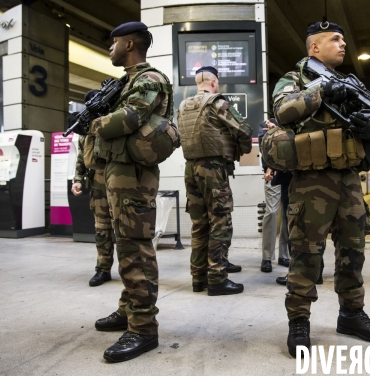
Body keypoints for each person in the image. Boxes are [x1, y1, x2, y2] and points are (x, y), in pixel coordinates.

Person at [271, 21, 370, 358]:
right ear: (314, 47)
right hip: (312, 181)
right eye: (335, 39)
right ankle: (299, 321)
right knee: (307, 255)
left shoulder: (353, 83)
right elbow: (282, 111)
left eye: (343, 39)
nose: (343, 45)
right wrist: (321, 91)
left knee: (353, 252)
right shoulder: (296, 78)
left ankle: (351, 314)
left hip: (349, 179)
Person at [89, 21, 173, 362]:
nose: (110, 48)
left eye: (113, 43)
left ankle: (143, 328)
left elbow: (129, 119)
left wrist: (93, 123)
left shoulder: (149, 79)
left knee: (135, 248)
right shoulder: (127, 82)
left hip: (133, 175)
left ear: (128, 43)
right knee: (125, 245)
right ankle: (129, 309)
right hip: (118, 172)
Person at [177, 66, 253, 296]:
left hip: (190, 168)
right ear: (214, 81)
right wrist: (239, 150)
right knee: (220, 221)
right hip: (213, 168)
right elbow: (244, 130)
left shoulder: (182, 106)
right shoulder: (217, 102)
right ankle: (218, 277)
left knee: (199, 224)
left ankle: (198, 278)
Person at [71, 119, 114, 287]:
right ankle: (103, 269)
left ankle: (132, 271)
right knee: (102, 227)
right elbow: (82, 156)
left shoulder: (114, 122)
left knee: (126, 227)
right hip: (97, 182)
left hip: (121, 178)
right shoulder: (87, 131)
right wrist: (78, 179)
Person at [258, 117, 290, 273]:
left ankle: (284, 255)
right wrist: (268, 167)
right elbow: (263, 144)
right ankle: (266, 257)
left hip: (291, 173)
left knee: (288, 214)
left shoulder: (295, 123)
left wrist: (277, 129)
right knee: (271, 212)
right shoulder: (266, 123)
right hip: (273, 172)